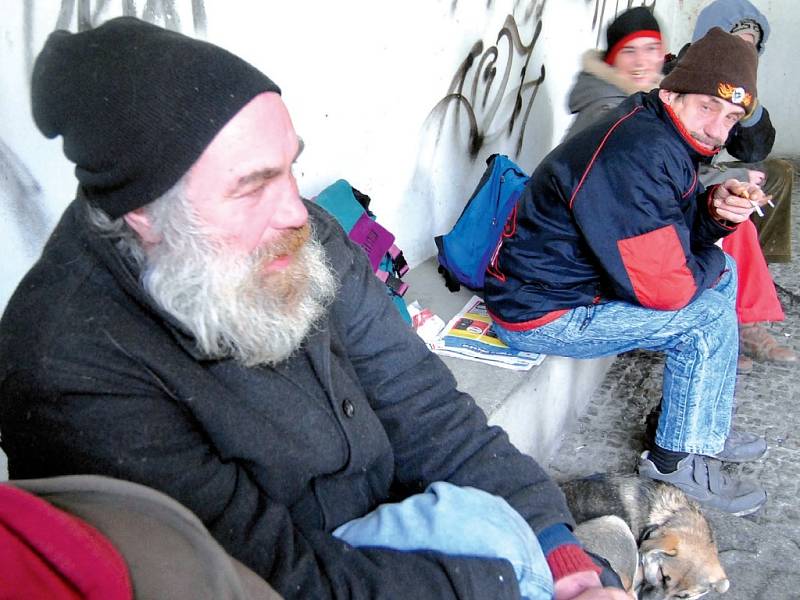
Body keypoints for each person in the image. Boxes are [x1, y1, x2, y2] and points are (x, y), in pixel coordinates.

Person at [0, 17, 628, 600]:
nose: (297, 210)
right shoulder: (68, 365)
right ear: (143, 212)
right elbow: (273, 580)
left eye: (289, 169)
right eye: (252, 185)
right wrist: (509, 581)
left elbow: (427, 410)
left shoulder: (303, 235)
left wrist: (557, 553)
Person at [483, 27, 769, 516]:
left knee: (721, 271)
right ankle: (673, 460)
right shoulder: (638, 150)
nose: (717, 130)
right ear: (673, 92)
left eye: (731, 118)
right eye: (707, 108)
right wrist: (707, 256)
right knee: (703, 315)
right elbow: (667, 290)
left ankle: (701, 425)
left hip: (576, 287)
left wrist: (713, 212)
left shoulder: (660, 129)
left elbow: (669, 230)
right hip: (543, 312)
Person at [667, 0, 796, 371]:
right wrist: (725, 179)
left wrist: (749, 106)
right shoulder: (685, 78)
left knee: (779, 173)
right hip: (682, 182)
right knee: (736, 197)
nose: (744, 49)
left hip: (705, 173)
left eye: (751, 45)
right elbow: (672, 159)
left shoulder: (737, 82)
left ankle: (758, 279)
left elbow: (754, 148)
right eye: (737, 40)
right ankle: (741, 317)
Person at [564, 6, 663, 141]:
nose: (640, 61)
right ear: (612, 61)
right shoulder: (611, 115)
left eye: (650, 48)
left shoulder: (641, 104)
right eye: (629, 51)